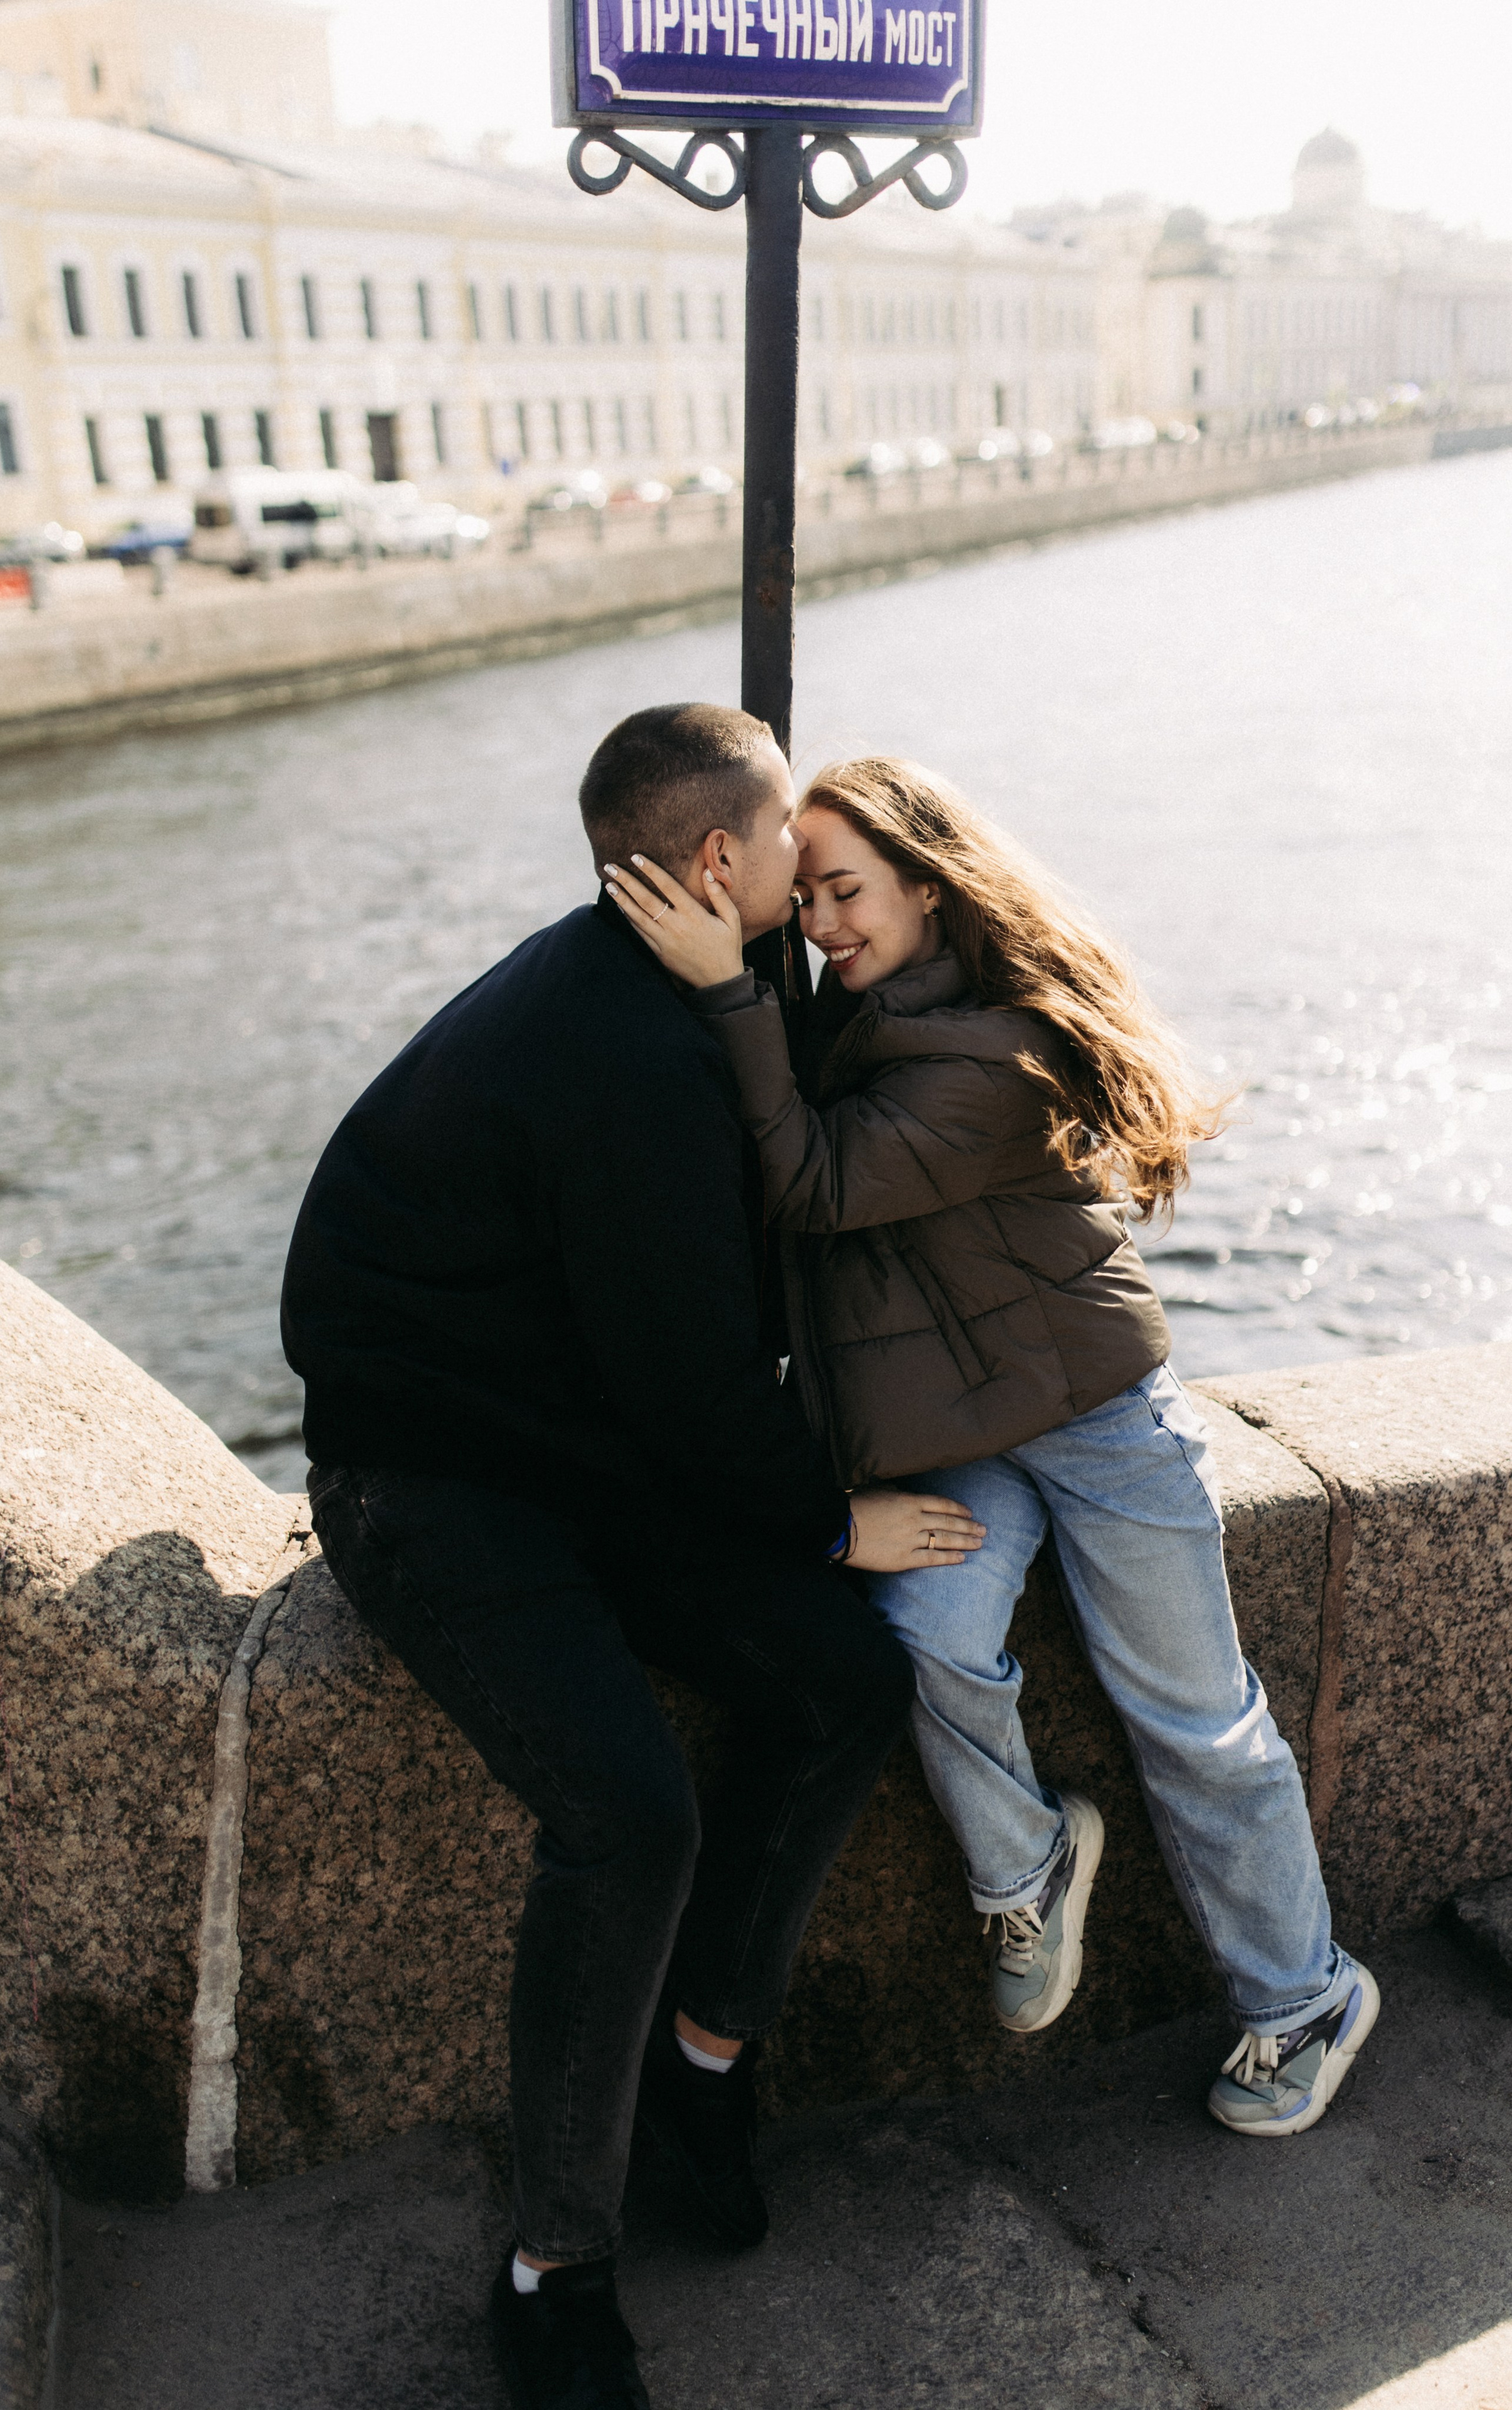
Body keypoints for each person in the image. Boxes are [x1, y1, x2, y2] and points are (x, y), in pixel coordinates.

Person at [280, 707, 979, 2410]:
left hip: (576, 1446)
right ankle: (553, 2268)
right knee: (628, 1813)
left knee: (839, 1678)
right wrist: (833, 1519)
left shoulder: (684, 988)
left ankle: (702, 2067)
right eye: (787, 862)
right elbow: (689, 1385)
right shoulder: (620, 1048)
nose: (812, 899)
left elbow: (676, 1367)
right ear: (719, 861)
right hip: (431, 1481)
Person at [604, 750, 1379, 2143]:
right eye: (807, 895)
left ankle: (1305, 1996)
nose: (821, 922)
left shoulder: (995, 1050)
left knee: (1192, 1719)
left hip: (1090, 1422)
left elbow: (811, 1181)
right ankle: (1026, 1862)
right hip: (949, 1435)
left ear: (925, 883)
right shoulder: (841, 1014)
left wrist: (727, 990)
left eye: (846, 893)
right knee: (924, 1638)